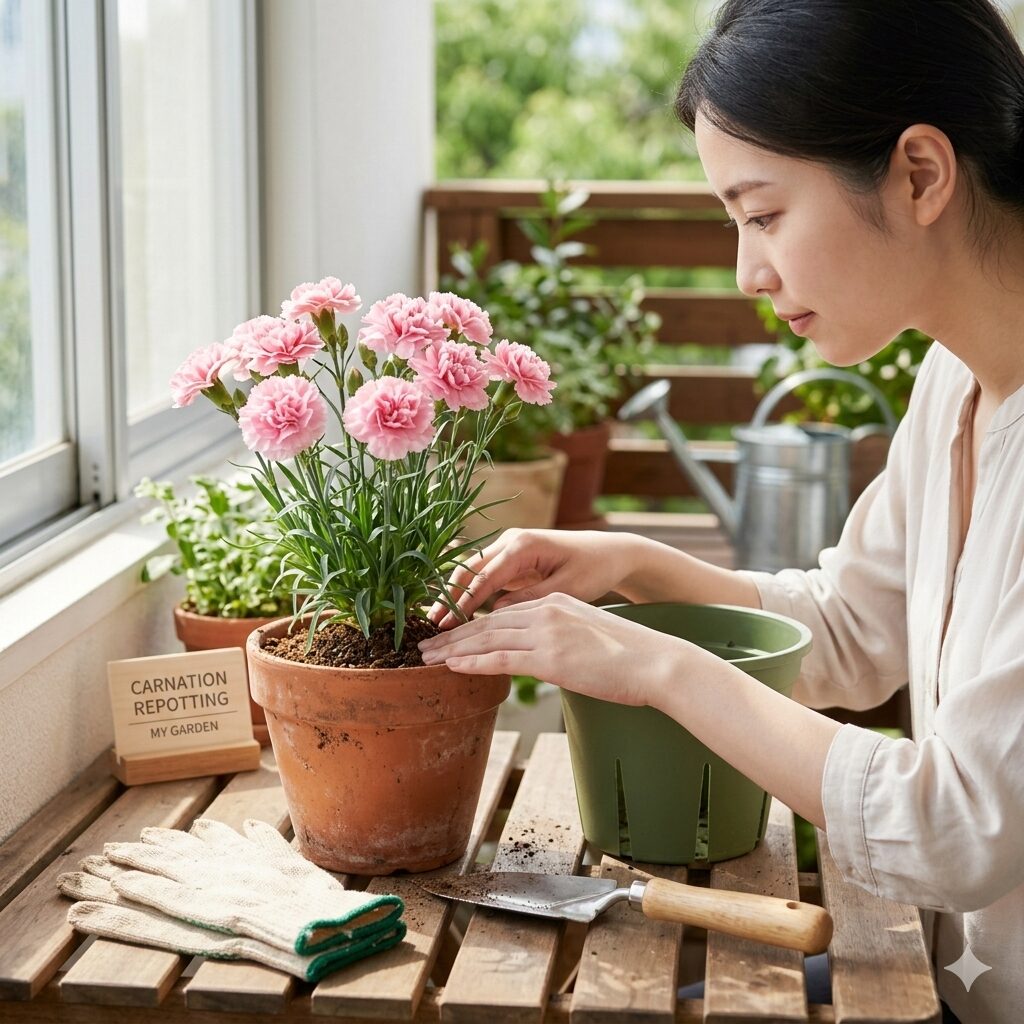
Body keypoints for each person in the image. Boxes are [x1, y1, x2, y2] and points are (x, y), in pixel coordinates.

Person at [420, 1, 1024, 1020]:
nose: (748, 272)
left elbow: (953, 829)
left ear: (918, 173)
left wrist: (651, 663)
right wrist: (631, 565)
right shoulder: (953, 386)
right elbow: (845, 630)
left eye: (763, 212)